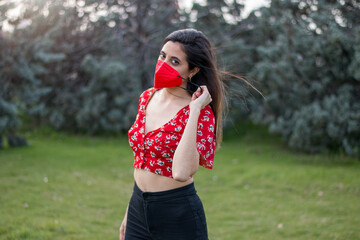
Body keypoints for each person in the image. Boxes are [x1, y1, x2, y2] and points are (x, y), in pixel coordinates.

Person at [120, 28, 225, 240]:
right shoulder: (148, 97)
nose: (163, 64)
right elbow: (141, 161)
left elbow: (181, 172)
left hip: (177, 216)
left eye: (174, 61)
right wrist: (128, 213)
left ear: (193, 70)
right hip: (138, 208)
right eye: (162, 56)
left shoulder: (200, 112)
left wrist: (194, 110)